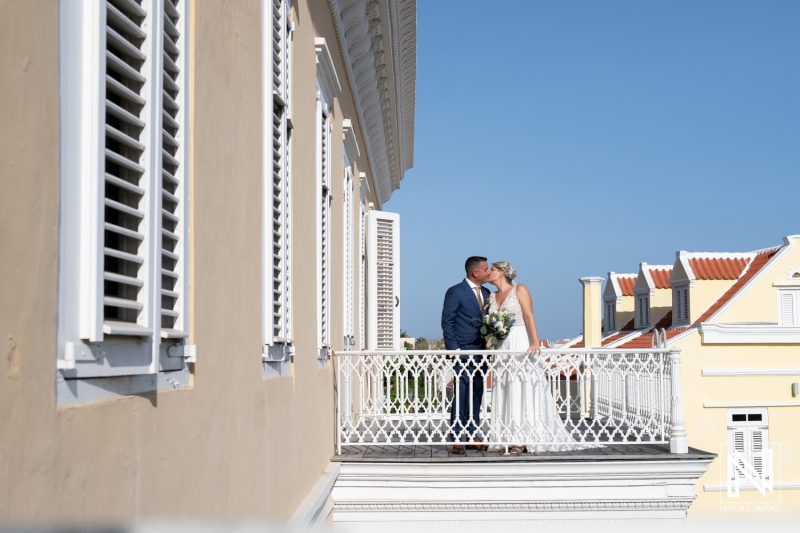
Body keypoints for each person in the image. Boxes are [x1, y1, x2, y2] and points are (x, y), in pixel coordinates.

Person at [486, 261, 575, 453]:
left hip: (520, 342)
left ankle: (522, 439)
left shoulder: (520, 289)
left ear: (501, 272)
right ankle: (506, 437)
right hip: (502, 347)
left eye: (491, 270)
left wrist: (535, 341)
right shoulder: (491, 297)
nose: (488, 273)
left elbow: (528, 316)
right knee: (505, 386)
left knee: (521, 385)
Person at [441, 256, 491, 454]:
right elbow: (448, 322)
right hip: (462, 353)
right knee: (461, 394)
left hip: (481, 354)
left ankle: (473, 434)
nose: (489, 272)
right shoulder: (455, 292)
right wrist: (455, 350)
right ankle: (456, 436)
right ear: (475, 272)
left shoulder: (487, 293)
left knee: (477, 394)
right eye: (486, 269)